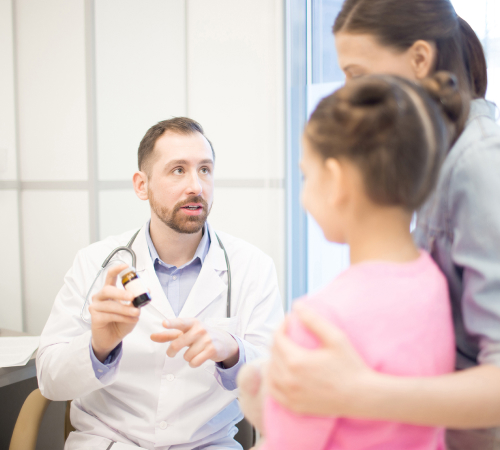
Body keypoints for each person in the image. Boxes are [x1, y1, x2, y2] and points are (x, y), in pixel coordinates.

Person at [239, 1, 500, 449]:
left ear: (420, 59)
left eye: (357, 74)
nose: (345, 94)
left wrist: (355, 392)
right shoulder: (437, 159)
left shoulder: (479, 165)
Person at [36, 117, 284, 450]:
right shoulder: (95, 264)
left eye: (205, 170)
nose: (195, 185)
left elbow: (277, 384)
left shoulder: (252, 267)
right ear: (142, 185)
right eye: (178, 170)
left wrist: (233, 350)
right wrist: (98, 347)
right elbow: (50, 380)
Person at [256, 72, 462, 450]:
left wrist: (260, 404)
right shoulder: (432, 279)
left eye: (306, 174)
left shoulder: (319, 322)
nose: (303, 196)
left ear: (335, 181)